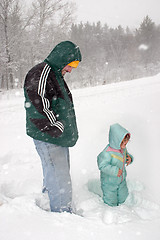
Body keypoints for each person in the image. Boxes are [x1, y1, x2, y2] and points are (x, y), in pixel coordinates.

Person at [24, 41, 82, 213]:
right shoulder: (41, 73)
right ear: (62, 58)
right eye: (71, 64)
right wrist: (56, 127)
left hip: (56, 136)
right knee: (60, 178)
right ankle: (63, 216)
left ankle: (50, 200)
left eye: (75, 65)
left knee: (55, 174)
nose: (72, 69)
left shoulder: (55, 74)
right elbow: (38, 104)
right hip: (49, 137)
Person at [97, 123, 133, 207]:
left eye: (126, 142)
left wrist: (129, 159)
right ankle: (112, 213)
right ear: (116, 140)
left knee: (123, 198)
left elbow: (125, 156)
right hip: (109, 182)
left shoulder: (123, 149)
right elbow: (102, 165)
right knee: (111, 201)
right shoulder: (107, 153)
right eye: (123, 142)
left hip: (121, 180)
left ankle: (123, 209)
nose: (125, 145)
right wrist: (115, 171)